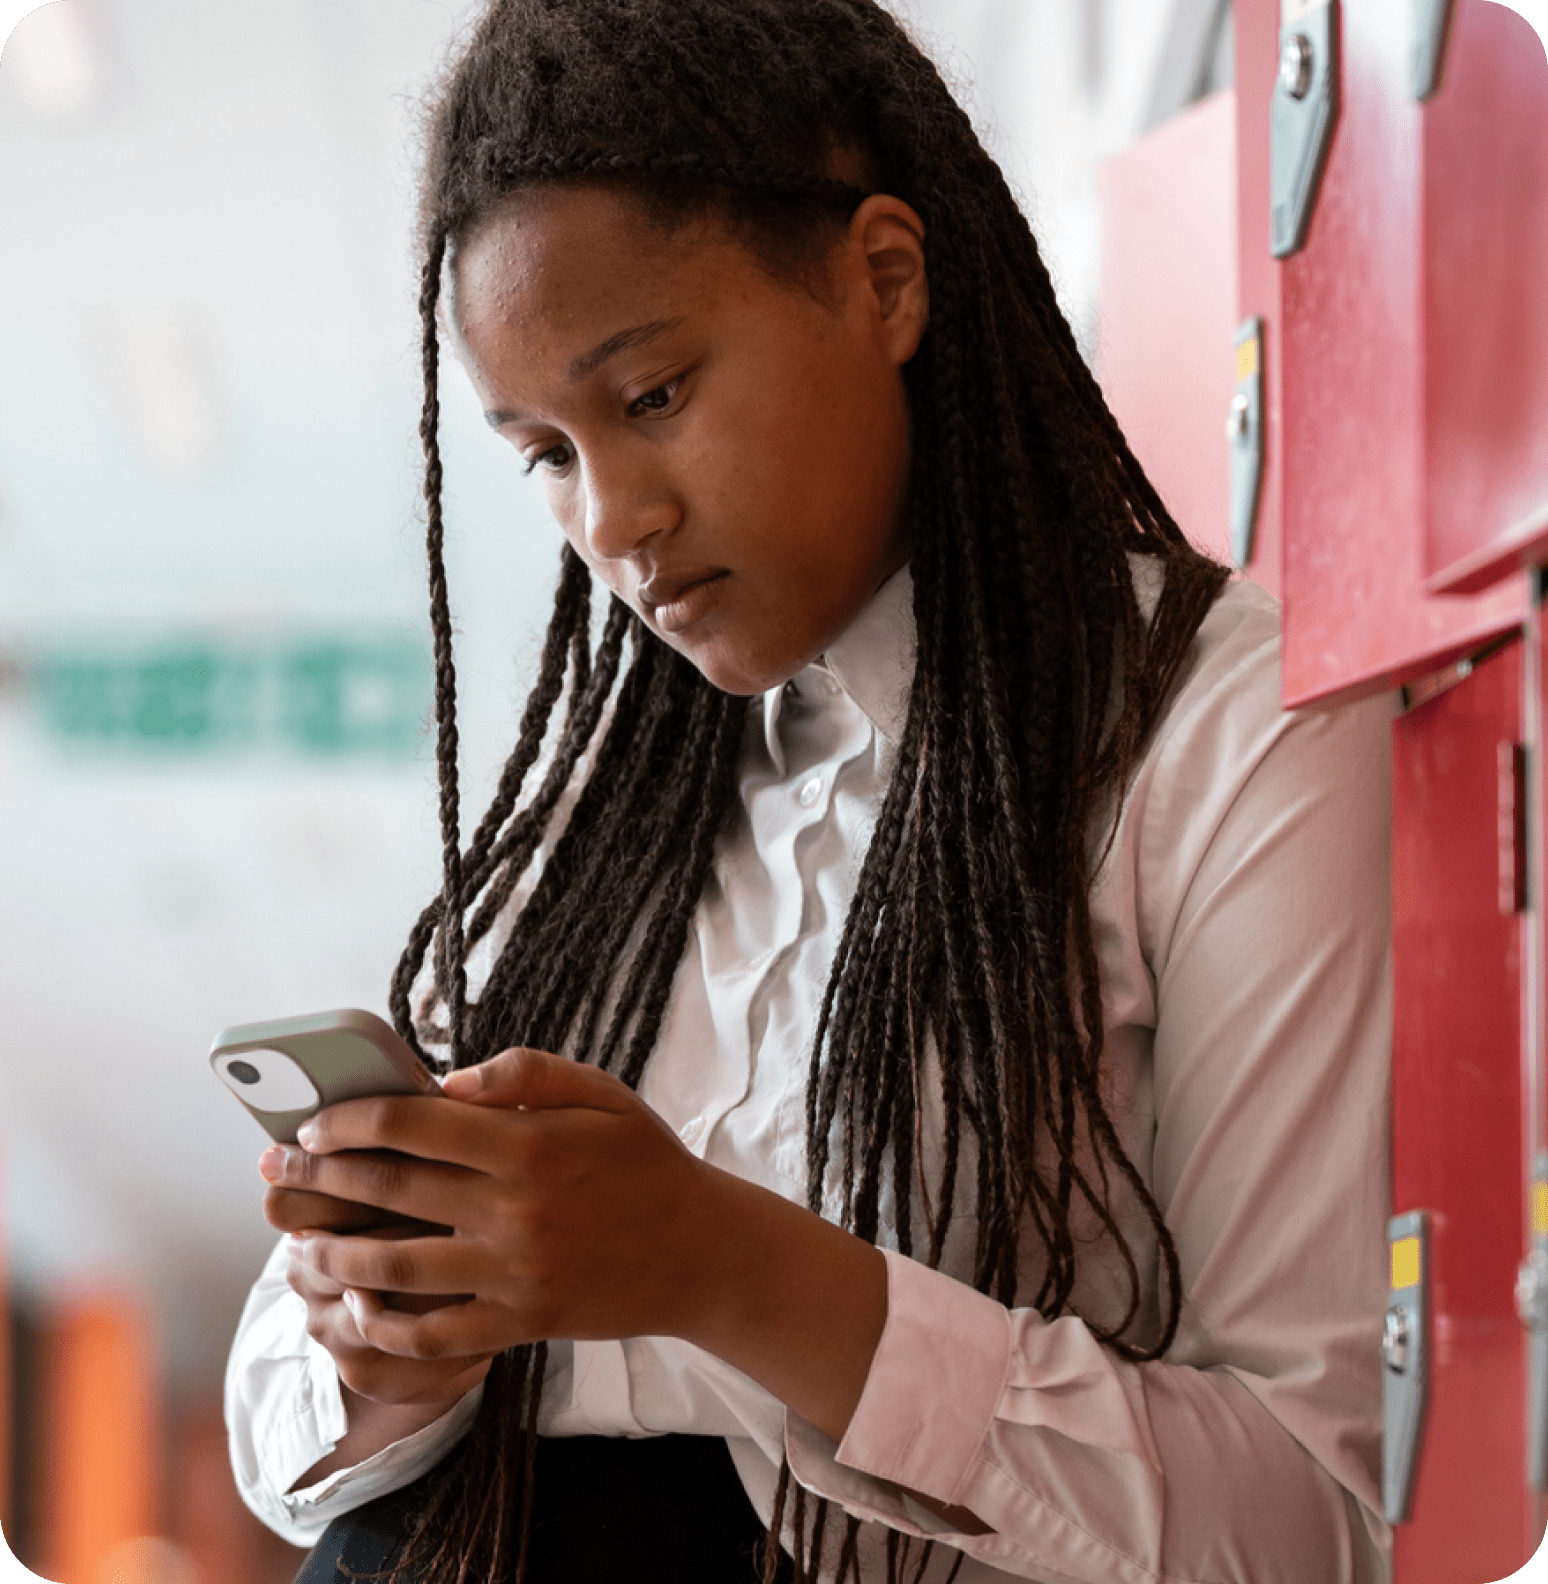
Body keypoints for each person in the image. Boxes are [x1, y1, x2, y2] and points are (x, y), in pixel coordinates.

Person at [225, 2, 1394, 1581]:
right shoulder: (604, 801)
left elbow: (1311, 1521)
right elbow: (291, 1464)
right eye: (546, 454)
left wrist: (728, 1270)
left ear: (885, 279)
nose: (614, 523)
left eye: (650, 396)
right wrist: (380, 1345)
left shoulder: (1218, 728)